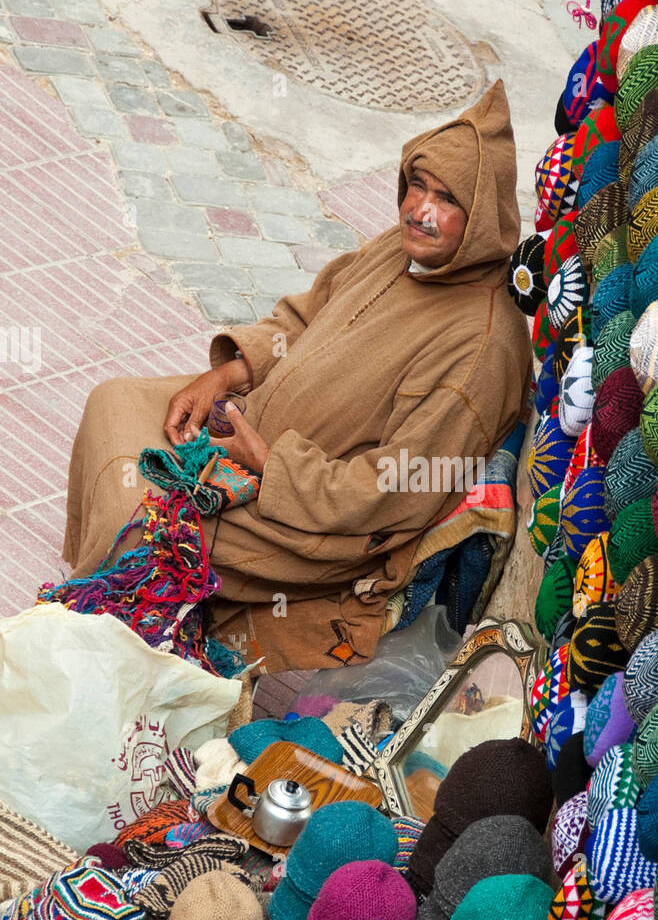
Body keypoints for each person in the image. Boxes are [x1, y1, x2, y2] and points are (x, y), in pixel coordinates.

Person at [62, 79, 532, 673]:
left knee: (140, 515)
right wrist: (230, 373)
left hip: (307, 522)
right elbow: (306, 313)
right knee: (114, 403)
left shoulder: (482, 345)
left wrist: (269, 463)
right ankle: (86, 596)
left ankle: (90, 645)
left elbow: (391, 493)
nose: (421, 211)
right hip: (246, 424)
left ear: (483, 220)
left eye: (447, 199)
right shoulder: (402, 247)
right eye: (418, 185)